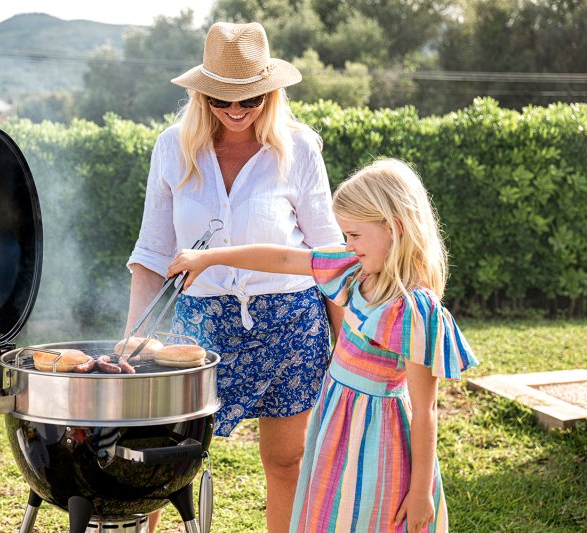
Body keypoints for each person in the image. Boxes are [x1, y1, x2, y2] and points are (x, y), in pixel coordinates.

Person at [166, 158, 479, 533]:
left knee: (371, 517)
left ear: (394, 228)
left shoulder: (414, 309)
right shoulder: (353, 270)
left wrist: (420, 492)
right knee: (331, 515)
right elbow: (283, 258)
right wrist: (210, 256)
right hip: (335, 427)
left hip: (381, 441)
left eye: (355, 235)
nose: (348, 244)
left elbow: (426, 409)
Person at [125, 21, 344, 532]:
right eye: (224, 100)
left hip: (290, 324)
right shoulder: (172, 148)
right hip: (200, 325)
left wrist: (346, 340)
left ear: (272, 92)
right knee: (161, 456)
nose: (238, 110)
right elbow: (152, 253)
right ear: (203, 95)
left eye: (252, 99)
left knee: (287, 462)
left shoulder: (300, 148)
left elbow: (328, 253)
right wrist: (132, 342)